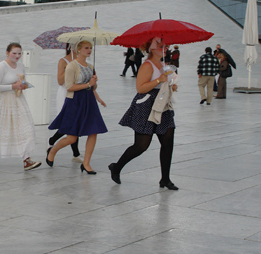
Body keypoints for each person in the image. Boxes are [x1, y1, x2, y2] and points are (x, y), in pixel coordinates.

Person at [109, 37, 180, 189]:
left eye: (166, 46)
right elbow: (140, 88)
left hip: (162, 106)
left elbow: (164, 82)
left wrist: (171, 85)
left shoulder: (163, 64)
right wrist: (158, 81)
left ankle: (165, 179)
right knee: (141, 145)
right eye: (162, 46)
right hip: (146, 105)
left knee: (168, 142)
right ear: (152, 48)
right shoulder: (147, 66)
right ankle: (117, 167)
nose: (166, 48)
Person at [0, 43, 43, 171]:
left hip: (16, 99)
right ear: (7, 53)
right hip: (0, 100)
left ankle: (26, 159)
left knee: (24, 126)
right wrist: (12, 86)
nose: (17, 56)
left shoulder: (21, 66)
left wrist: (23, 85)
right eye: (14, 53)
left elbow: (22, 81)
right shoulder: (1, 66)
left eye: (19, 53)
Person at [46, 40, 108, 175]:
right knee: (72, 137)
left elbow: (93, 87)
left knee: (93, 131)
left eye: (90, 48)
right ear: (78, 49)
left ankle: (86, 163)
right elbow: (69, 86)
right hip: (75, 101)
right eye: (86, 48)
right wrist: (87, 84)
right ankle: (53, 150)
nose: (89, 50)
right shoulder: (72, 66)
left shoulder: (90, 66)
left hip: (89, 101)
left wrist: (94, 83)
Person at [47, 45, 82, 158]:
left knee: (75, 123)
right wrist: (69, 68)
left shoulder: (82, 61)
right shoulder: (63, 61)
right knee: (69, 122)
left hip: (78, 93)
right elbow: (60, 81)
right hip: (66, 93)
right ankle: (76, 154)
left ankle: (53, 139)